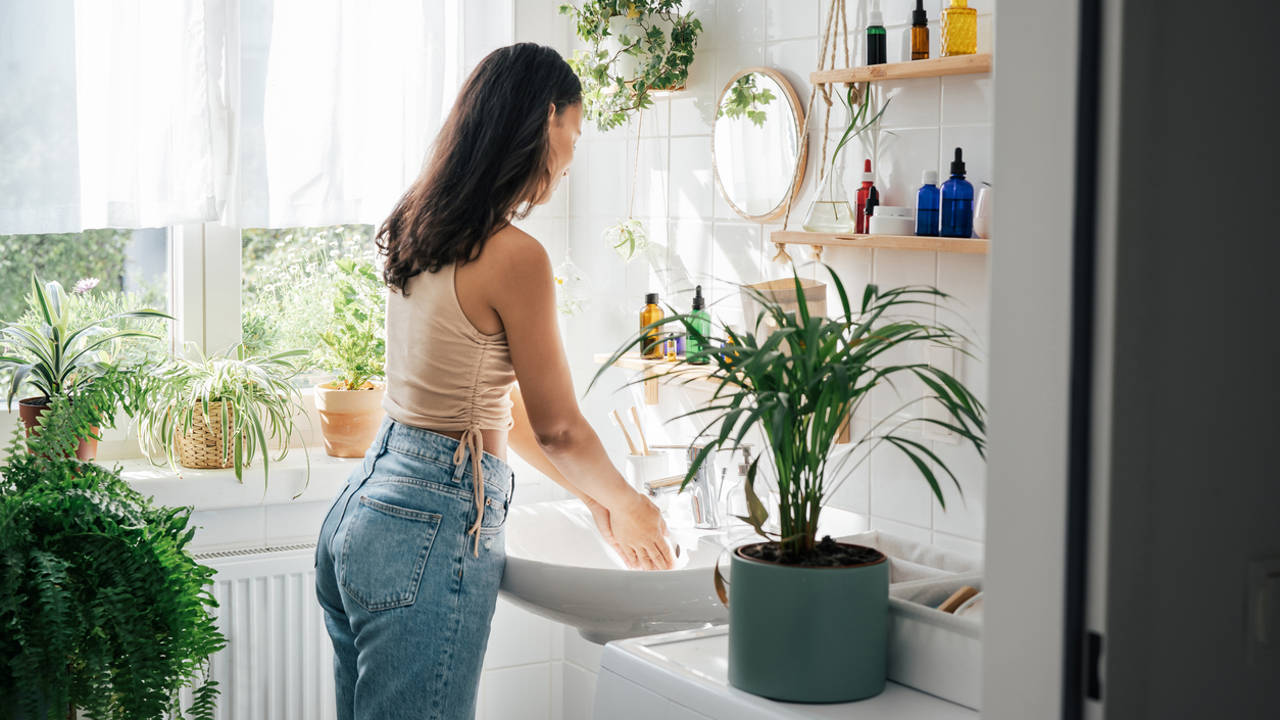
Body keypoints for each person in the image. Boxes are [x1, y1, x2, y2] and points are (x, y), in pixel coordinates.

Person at [313, 42, 673, 720]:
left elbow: (492, 408)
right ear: (547, 119)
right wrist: (631, 504)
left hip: (366, 507)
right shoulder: (515, 256)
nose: (573, 154)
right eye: (577, 127)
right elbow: (558, 428)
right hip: (428, 521)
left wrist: (591, 498)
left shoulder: (419, 224)